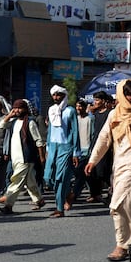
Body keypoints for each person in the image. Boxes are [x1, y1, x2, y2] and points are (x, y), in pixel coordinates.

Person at [86, 80, 131, 261]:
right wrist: (93, 160)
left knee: (117, 206)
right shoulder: (114, 115)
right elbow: (103, 139)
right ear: (121, 95)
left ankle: (122, 245)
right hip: (118, 168)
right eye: (130, 94)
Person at [0, 99, 46, 214]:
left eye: (20, 108)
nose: (17, 110)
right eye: (15, 108)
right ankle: (39, 200)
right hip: (16, 158)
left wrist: (42, 156)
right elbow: (1, 125)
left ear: (25, 109)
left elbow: (38, 140)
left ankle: (8, 205)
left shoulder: (30, 122)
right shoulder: (14, 122)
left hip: (26, 158)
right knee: (30, 182)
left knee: (16, 181)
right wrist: (9, 115)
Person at [43, 85, 79, 217]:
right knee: (48, 177)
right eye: (54, 95)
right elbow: (50, 131)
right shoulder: (51, 110)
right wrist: (47, 148)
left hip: (66, 147)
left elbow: (75, 132)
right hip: (53, 147)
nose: (56, 97)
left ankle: (59, 208)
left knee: (61, 179)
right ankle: (68, 193)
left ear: (64, 95)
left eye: (59, 95)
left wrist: (76, 152)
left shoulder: (70, 111)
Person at [86, 91, 113, 204]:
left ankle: (112, 192)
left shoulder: (109, 113)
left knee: (104, 171)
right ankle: (95, 194)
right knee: (92, 171)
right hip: (94, 144)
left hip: (106, 145)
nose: (95, 102)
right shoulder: (95, 113)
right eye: (94, 100)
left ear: (103, 101)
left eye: (97, 100)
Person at [71, 99, 95, 203]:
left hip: (87, 150)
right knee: (82, 173)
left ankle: (75, 194)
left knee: (82, 173)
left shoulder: (90, 119)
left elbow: (92, 134)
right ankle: (94, 192)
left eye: (80, 106)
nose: (78, 108)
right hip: (76, 150)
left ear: (85, 107)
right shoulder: (75, 119)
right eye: (77, 106)